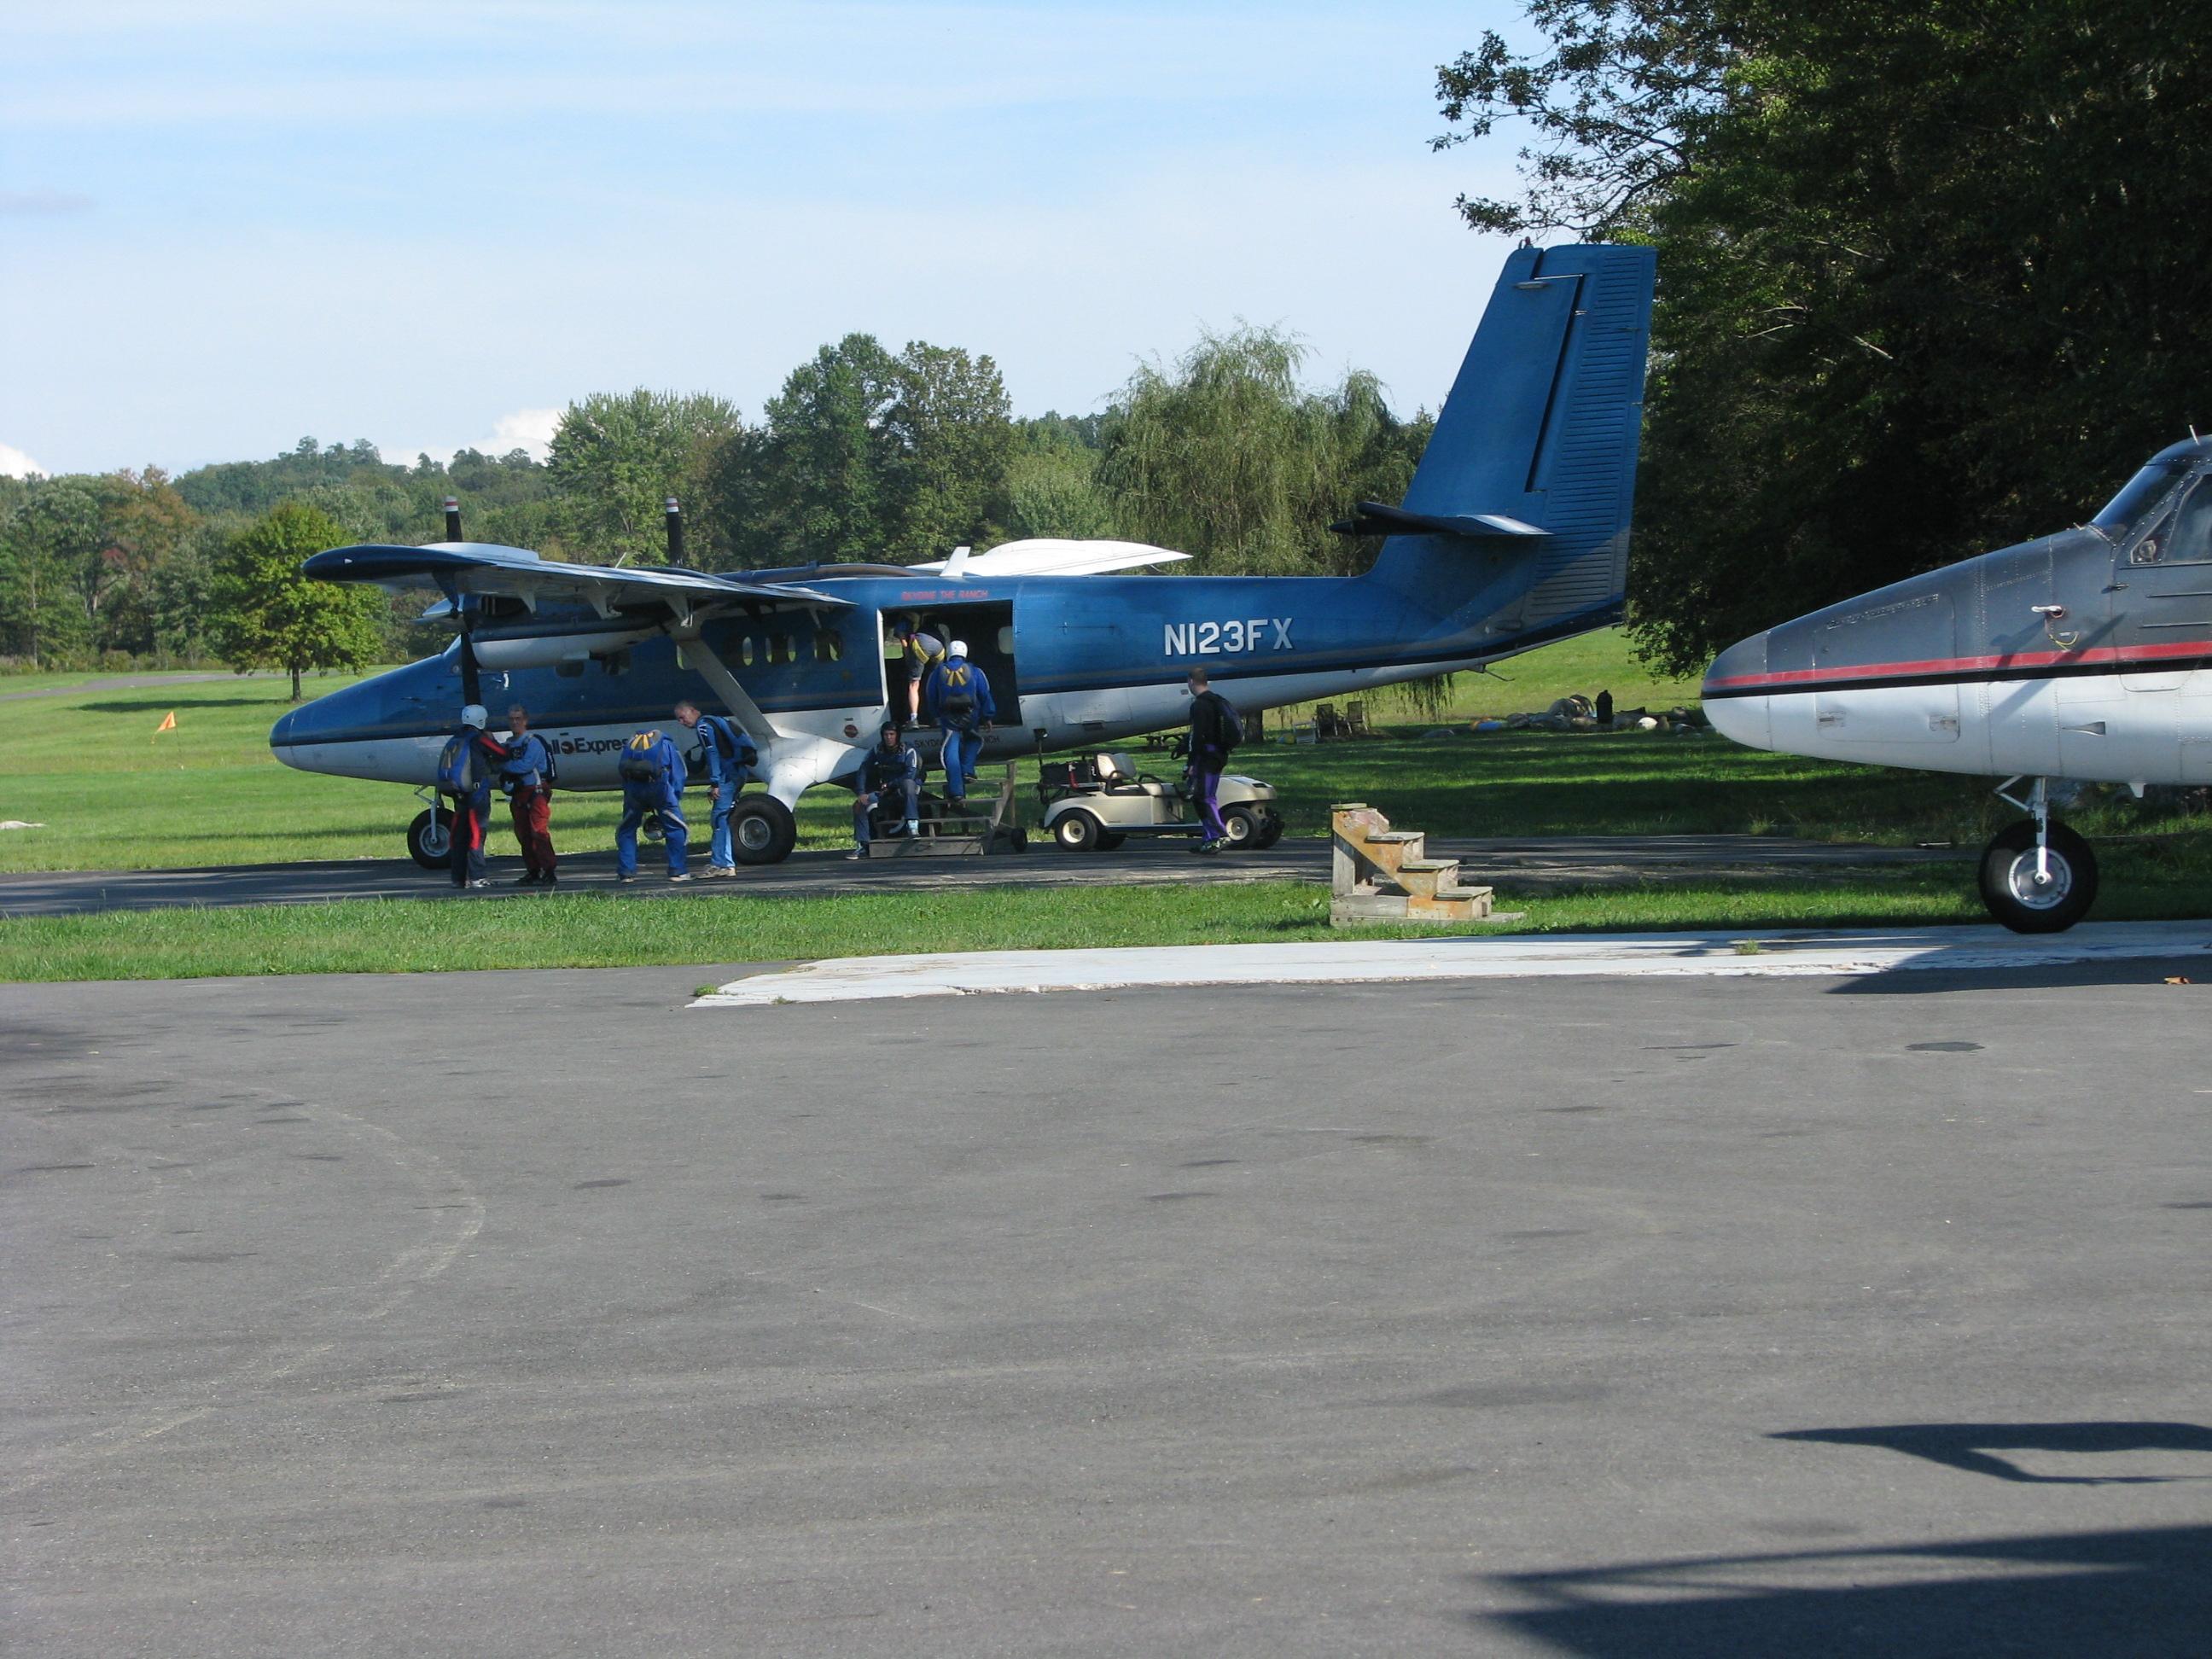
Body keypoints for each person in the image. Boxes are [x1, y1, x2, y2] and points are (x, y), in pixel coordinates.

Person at [673, 700, 757, 877]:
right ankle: (724, 862)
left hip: (727, 775)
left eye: (683, 717)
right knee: (724, 817)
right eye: (679, 720)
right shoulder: (715, 721)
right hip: (738, 771)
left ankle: (721, 863)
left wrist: (715, 783)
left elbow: (713, 754)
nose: (682, 722)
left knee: (719, 818)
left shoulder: (703, 727)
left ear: (693, 711)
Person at [435, 703, 510, 889]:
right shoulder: (478, 739)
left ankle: (458, 878)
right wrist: (494, 740)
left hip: (457, 793)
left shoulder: (455, 738)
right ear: (481, 720)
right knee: (477, 834)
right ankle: (478, 877)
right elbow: (502, 754)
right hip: (476, 793)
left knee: (459, 836)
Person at [614, 726, 691, 883]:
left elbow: (622, 771)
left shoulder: (630, 746)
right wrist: (675, 798)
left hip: (633, 791)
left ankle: (626, 873)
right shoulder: (666, 744)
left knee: (627, 830)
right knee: (676, 828)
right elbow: (679, 774)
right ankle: (678, 871)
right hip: (660, 789)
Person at [923, 638, 995, 803]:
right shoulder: (975, 671)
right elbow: (985, 694)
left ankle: (956, 791)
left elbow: (931, 695)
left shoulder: (937, 672)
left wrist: (935, 715)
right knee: (974, 740)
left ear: (948, 653)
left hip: (947, 718)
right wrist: (988, 716)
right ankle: (968, 770)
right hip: (971, 716)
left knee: (951, 751)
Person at [1184, 667, 1243, 854]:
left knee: (1205, 797)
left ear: (1191, 682)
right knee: (1200, 797)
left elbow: (1198, 736)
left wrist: (1191, 763)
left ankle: (1219, 834)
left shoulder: (1199, 705)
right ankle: (1208, 838)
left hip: (1206, 757)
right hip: (1219, 755)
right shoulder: (1217, 701)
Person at [499, 703, 559, 887]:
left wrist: (503, 765)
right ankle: (533, 871)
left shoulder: (533, 742)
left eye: (518, 719)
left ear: (525, 720)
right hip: (519, 795)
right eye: (511, 719)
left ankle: (549, 871)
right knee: (523, 833)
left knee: (538, 831)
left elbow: (524, 766)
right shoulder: (509, 744)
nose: (515, 722)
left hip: (536, 793)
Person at [848, 722, 922, 859]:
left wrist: (890, 785)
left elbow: (910, 773)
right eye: (886, 734)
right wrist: (861, 792)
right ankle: (864, 844)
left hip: (906, 792)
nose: (889, 738)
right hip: (886, 793)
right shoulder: (877, 750)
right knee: (859, 805)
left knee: (908, 784)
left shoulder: (908, 750)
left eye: (892, 734)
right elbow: (863, 769)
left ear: (898, 736)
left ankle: (913, 825)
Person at [892, 615, 947, 726]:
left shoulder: (904, 619)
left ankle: (913, 719)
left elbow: (904, 642)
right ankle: (938, 718)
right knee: (935, 684)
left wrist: (909, 660)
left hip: (921, 643)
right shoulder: (930, 620)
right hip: (939, 644)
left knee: (914, 685)